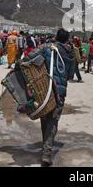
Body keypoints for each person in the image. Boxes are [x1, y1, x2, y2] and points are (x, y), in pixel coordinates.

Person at [39, 28, 74, 166]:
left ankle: (45, 149)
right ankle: (46, 153)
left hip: (45, 89)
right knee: (53, 120)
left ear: (56, 37)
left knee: (44, 117)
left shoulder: (48, 48)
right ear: (67, 39)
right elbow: (71, 75)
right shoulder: (70, 53)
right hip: (60, 91)